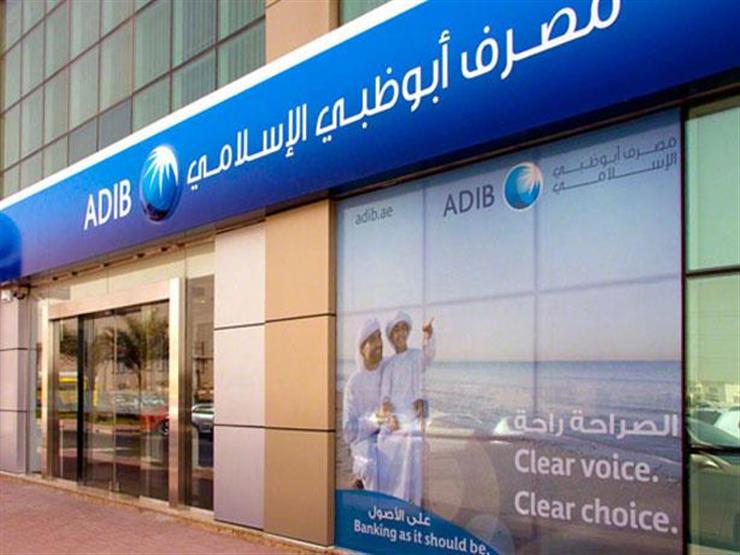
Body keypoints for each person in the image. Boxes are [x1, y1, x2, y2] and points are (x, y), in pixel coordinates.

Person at [377, 311, 435, 505]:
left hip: (412, 415)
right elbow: (385, 397)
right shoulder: (389, 365)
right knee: (386, 440)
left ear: (408, 332)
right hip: (395, 416)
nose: (400, 333)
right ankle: (393, 496)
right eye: (396, 330)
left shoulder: (416, 356)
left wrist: (428, 335)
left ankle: (411, 498)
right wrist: (390, 417)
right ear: (391, 336)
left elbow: (429, 356)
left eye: (403, 329)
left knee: (413, 439)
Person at [342, 318, 391, 491]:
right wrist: (375, 419)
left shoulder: (389, 368)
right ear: (362, 348)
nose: (379, 343)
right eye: (372, 339)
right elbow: (348, 432)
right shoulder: (354, 383)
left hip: (390, 434)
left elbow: (413, 370)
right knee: (370, 464)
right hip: (364, 441)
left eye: (379, 337)